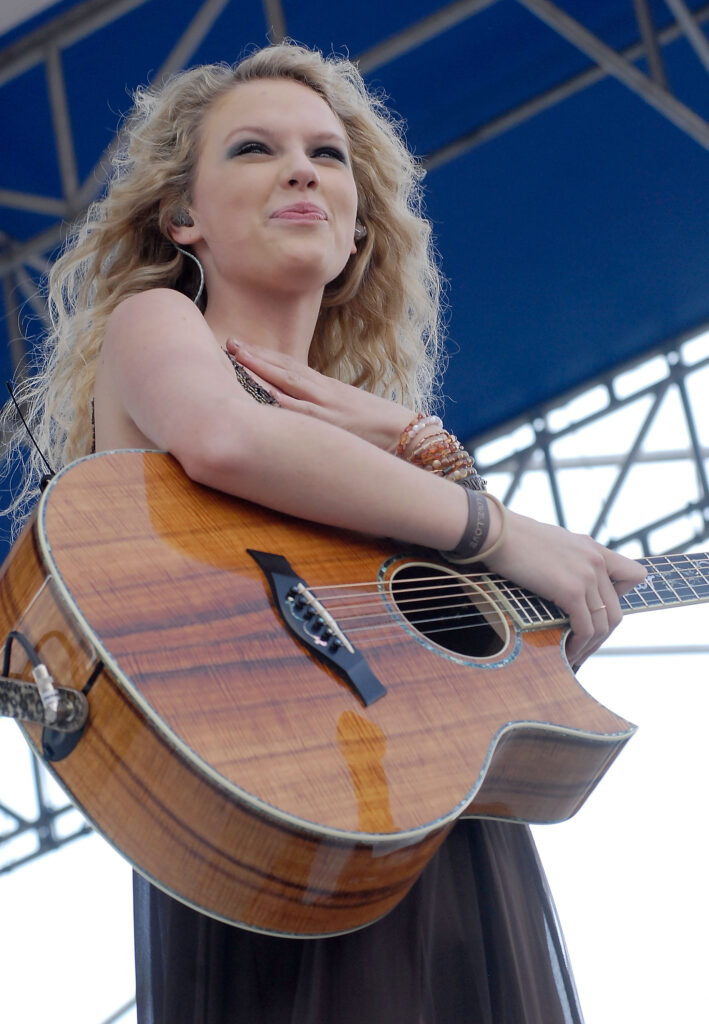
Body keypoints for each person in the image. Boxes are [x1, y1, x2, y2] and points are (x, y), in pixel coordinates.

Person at [3, 42, 645, 1024]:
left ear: (357, 234)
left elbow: (483, 644)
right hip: (274, 811)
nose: (303, 168)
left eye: (329, 155)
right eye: (255, 149)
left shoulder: (381, 446)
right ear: (183, 219)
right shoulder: (160, 325)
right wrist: (496, 526)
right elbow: (223, 439)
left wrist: (419, 448)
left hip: (425, 817)